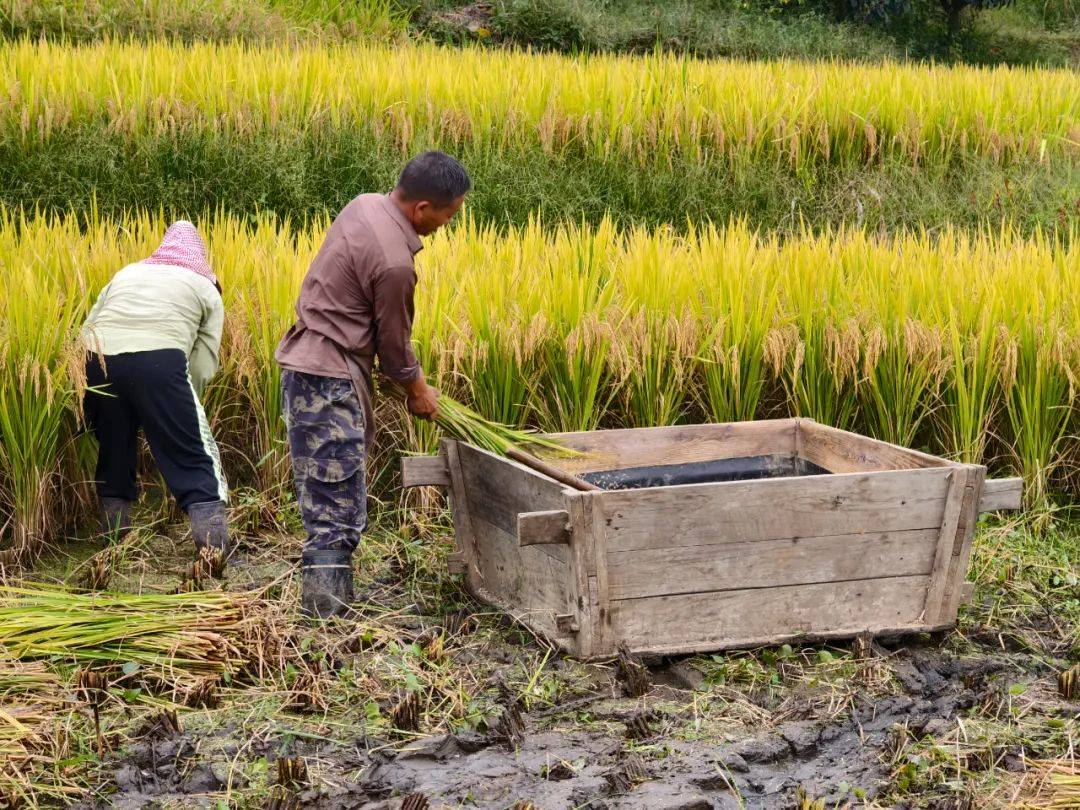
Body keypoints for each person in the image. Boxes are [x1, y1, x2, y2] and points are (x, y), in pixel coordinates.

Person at [276, 151, 470, 619]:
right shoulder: (396, 263)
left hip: (308, 362)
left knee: (323, 490)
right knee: (335, 499)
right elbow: (395, 346)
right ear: (423, 208)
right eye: (449, 214)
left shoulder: (363, 204)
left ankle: (328, 606)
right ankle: (325, 618)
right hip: (329, 376)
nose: (448, 224)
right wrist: (418, 391)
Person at [81, 220, 229, 557]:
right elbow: (203, 366)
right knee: (193, 454)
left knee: (114, 448)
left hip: (99, 360)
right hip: (160, 363)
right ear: (199, 255)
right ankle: (213, 551)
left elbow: (88, 327)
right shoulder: (205, 285)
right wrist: (177, 404)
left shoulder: (127, 273)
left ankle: (113, 544)